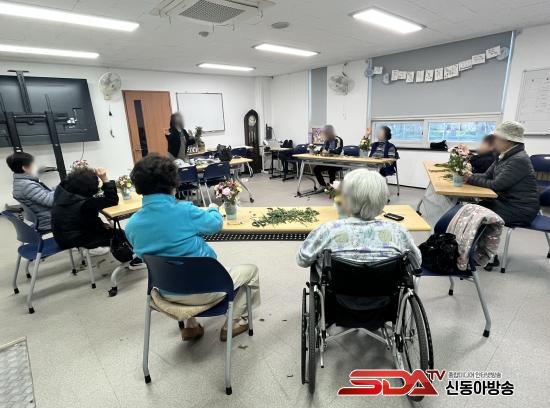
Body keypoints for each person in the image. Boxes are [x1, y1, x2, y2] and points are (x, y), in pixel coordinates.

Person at [125, 154, 260, 341]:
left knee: (178, 266)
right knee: (251, 271)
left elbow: (145, 255)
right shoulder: (185, 211)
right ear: (173, 183)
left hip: (165, 293)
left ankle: (191, 325)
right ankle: (235, 322)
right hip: (204, 290)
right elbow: (215, 225)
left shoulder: (131, 225)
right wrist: (213, 207)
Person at [297, 168, 421, 268]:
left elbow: (302, 260)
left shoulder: (327, 230)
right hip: (385, 291)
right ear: (382, 199)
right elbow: (417, 261)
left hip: (337, 290)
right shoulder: (399, 232)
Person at [51, 167, 145, 269]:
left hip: (61, 235)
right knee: (120, 234)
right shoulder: (85, 203)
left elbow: (84, 217)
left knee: (111, 230)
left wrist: (100, 224)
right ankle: (133, 261)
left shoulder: (63, 192)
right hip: (74, 238)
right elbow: (112, 200)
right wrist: (105, 179)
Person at [464, 121, 540, 226]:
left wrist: (470, 178)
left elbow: (496, 185)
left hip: (519, 209)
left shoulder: (519, 159)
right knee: (470, 209)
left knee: (470, 213)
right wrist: (467, 175)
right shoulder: (504, 155)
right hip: (505, 203)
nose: (494, 142)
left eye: (496, 138)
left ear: (507, 140)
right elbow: (487, 175)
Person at [6, 152, 54, 232]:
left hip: (43, 218)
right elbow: (51, 201)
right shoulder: (27, 185)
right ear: (25, 168)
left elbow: (45, 194)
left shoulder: (20, 182)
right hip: (49, 221)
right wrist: (64, 189)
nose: (36, 166)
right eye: (33, 164)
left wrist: (60, 188)